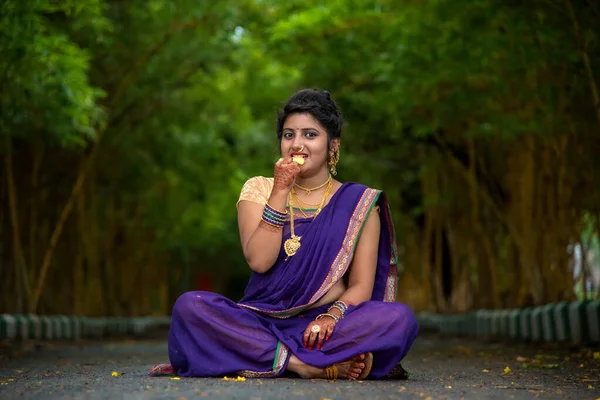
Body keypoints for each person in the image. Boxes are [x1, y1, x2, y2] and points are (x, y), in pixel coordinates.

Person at [149, 89, 419, 380]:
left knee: (399, 319)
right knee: (191, 307)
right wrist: (280, 191)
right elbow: (260, 261)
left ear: (333, 146)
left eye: (310, 135)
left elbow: (362, 286)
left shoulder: (360, 203)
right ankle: (304, 364)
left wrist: (331, 316)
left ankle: (272, 355)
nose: (297, 145)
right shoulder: (260, 189)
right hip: (260, 321)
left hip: (322, 326)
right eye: (289, 135)